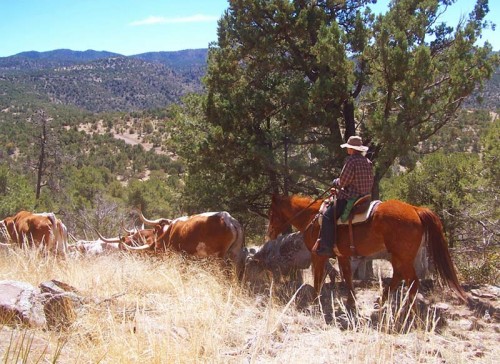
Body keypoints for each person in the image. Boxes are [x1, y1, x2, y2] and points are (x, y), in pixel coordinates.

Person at [314, 135, 374, 257]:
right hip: (364, 197)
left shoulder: (351, 161)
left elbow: (343, 181)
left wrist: (335, 182)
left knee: (327, 216)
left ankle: (327, 247)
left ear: (352, 149)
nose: (348, 150)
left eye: (348, 147)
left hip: (350, 197)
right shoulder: (367, 161)